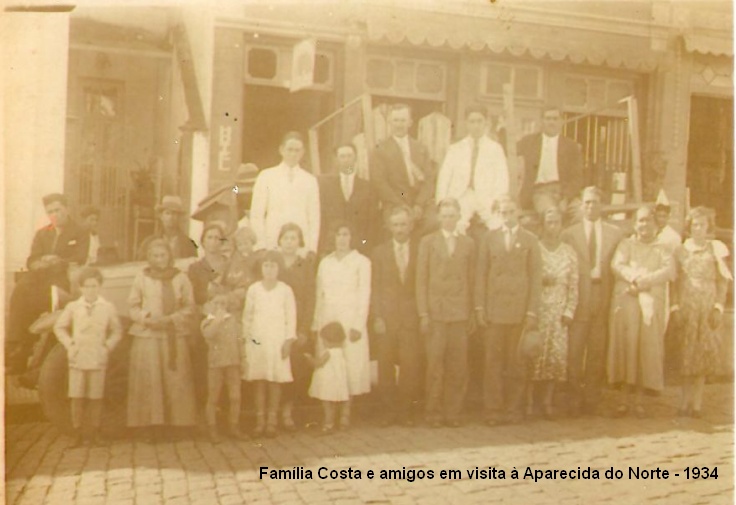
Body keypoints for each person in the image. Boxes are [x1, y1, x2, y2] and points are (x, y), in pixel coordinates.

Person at [475, 195, 542, 425]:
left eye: (511, 211)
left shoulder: (530, 240)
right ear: (498, 214)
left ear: (518, 212)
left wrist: (532, 311)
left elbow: (535, 277)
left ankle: (514, 409)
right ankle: (493, 410)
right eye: (503, 212)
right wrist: (480, 307)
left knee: (517, 362)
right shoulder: (489, 238)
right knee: (492, 362)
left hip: (519, 311)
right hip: (494, 311)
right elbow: (481, 274)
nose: (507, 216)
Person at [7, 193, 89, 374]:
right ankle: (17, 352)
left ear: (67, 209)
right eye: (50, 212)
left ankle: (34, 361)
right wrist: (39, 263)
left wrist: (58, 260)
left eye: (57, 210)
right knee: (20, 293)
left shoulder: (80, 231)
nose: (54, 215)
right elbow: (32, 260)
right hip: (40, 280)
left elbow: (80, 257)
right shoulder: (42, 234)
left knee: (42, 301)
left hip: (62, 281)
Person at [561, 186, 624, 416]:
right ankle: (573, 398)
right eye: (586, 202)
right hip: (579, 295)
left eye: (595, 202)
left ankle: (592, 399)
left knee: (597, 349)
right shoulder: (569, 233)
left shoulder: (615, 233)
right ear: (581, 205)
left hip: (602, 293)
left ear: (602, 206)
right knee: (575, 349)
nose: (590, 206)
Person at [127, 239, 198, 441]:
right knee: (150, 379)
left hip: (173, 334)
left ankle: (178, 425)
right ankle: (151, 426)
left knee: (175, 379)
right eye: (155, 256)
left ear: (169, 256)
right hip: (148, 335)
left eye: (163, 255)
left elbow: (190, 306)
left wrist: (171, 319)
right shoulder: (142, 277)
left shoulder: (180, 278)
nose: (159, 260)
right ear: (149, 258)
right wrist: (146, 319)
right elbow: (133, 306)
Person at [608, 206, 675, 417]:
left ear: (655, 224)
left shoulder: (663, 248)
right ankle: (623, 399)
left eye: (648, 220)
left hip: (650, 302)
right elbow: (617, 265)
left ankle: (639, 400)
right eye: (640, 220)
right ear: (634, 224)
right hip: (628, 299)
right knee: (627, 345)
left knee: (644, 348)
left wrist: (645, 281)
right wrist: (635, 278)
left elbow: (669, 271)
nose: (644, 225)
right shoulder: (626, 244)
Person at [416, 198, 476, 427]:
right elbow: (421, 280)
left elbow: (472, 280)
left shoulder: (468, 243)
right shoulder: (428, 242)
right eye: (445, 216)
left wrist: (471, 311)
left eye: (452, 215)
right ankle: (433, 412)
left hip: (459, 313)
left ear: (459, 216)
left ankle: (453, 413)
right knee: (434, 365)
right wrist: (424, 313)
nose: (448, 220)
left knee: (457, 366)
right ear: (438, 218)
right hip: (436, 313)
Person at [671, 207, 731, 418]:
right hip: (687, 307)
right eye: (694, 225)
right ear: (689, 227)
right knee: (686, 354)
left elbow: (723, 281)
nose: (698, 229)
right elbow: (674, 282)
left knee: (703, 355)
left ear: (708, 227)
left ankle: (697, 404)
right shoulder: (680, 250)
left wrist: (718, 307)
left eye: (702, 225)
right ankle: (683, 402)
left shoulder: (716, 249)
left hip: (706, 308)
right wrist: (675, 307)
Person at [53, 267, 123, 447]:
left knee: (96, 397)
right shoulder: (73, 307)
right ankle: (77, 433)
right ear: (80, 288)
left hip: (98, 357)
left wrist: (107, 347)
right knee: (77, 397)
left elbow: (117, 330)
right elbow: (59, 327)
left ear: (100, 287)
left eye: (94, 286)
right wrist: (70, 344)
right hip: (78, 357)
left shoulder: (107, 307)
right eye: (87, 286)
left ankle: (95, 432)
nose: (90, 290)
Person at [312, 222, 372, 428]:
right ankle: (329, 415)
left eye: (346, 234)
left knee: (349, 367)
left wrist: (358, 324)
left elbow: (364, 294)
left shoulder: (361, 262)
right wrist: (316, 324)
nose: (342, 239)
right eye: (338, 234)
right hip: (328, 321)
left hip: (350, 321)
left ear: (352, 237)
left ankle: (345, 413)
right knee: (329, 368)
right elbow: (320, 295)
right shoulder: (325, 263)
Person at [371, 206, 422, 426]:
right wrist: (377, 317)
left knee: (410, 365)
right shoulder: (379, 252)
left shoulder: (420, 249)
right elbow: (374, 288)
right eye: (395, 225)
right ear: (389, 227)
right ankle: (388, 411)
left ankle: (405, 411)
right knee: (385, 365)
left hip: (411, 317)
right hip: (387, 317)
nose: (399, 229)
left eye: (403, 224)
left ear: (410, 226)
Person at [529, 207, 578, 418]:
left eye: (556, 222)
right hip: (538, 310)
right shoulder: (535, 248)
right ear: (543, 225)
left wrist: (569, 311)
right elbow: (527, 277)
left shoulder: (569, 252)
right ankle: (529, 401)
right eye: (549, 222)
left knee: (555, 357)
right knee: (533, 354)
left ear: (561, 225)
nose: (553, 227)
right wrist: (541, 280)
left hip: (558, 312)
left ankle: (547, 401)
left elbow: (574, 284)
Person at [242, 251, 297, 437]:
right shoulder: (254, 289)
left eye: (273, 265)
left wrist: (288, 340)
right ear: (261, 268)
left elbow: (291, 317)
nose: (269, 269)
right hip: (258, 340)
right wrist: (247, 340)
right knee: (260, 380)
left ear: (279, 268)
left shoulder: (285, 290)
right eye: (266, 265)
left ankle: (272, 420)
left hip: (277, 340)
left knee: (275, 380)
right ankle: (260, 420)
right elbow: (247, 317)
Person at [435, 104, 509, 234]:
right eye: (472, 122)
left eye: (479, 121)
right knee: (455, 225)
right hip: (461, 195)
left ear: (486, 122)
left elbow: (502, 177)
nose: (476, 126)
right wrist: (442, 200)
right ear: (466, 123)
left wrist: (498, 199)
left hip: (486, 196)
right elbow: (444, 177)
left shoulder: (495, 148)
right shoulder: (456, 148)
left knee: (499, 225)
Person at [249, 132, 320, 256]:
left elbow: (314, 217)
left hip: (300, 243)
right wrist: (260, 245)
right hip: (272, 240)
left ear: (303, 152)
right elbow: (256, 214)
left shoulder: (310, 180)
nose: (293, 154)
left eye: (297, 150)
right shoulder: (266, 176)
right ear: (281, 150)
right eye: (290, 149)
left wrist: (312, 248)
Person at [370, 104, 435, 232]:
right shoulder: (381, 149)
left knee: (434, 224)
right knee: (399, 225)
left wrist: (419, 204)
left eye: (403, 120)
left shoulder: (420, 148)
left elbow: (429, 179)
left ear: (410, 122)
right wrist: (401, 206)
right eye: (396, 120)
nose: (399, 125)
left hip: (419, 203)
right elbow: (380, 183)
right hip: (395, 202)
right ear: (389, 122)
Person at [276, 223, 317, 430]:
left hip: (297, 323)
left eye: (294, 238)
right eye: (286, 238)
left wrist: (303, 328)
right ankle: (272, 412)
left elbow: (310, 298)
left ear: (299, 242)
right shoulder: (272, 262)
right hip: (275, 323)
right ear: (279, 240)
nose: (289, 242)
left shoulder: (305, 266)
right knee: (275, 366)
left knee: (295, 367)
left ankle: (287, 411)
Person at [188, 223, 230, 417]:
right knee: (206, 365)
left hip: (228, 321)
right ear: (203, 242)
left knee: (228, 365)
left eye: (217, 238)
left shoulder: (230, 264)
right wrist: (209, 294)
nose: (213, 242)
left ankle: (226, 411)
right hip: (206, 322)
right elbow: (193, 296)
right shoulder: (196, 268)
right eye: (209, 237)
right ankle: (206, 412)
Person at [517, 105, 584, 214]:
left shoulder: (571, 146)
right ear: (542, 121)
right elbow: (509, 150)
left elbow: (577, 178)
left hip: (564, 192)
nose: (551, 122)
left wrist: (566, 198)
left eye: (555, 119)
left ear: (561, 121)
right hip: (540, 192)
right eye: (548, 119)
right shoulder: (528, 142)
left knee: (582, 214)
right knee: (552, 213)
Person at [201, 293, 247, 442]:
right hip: (216, 364)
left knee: (235, 397)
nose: (220, 306)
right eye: (216, 303)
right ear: (211, 305)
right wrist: (217, 320)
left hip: (233, 363)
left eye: (223, 304)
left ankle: (234, 426)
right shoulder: (207, 322)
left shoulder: (233, 321)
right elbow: (209, 335)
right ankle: (212, 428)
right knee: (213, 397)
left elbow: (240, 341)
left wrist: (243, 359)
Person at [318, 143, 379, 255]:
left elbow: (372, 221)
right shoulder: (325, 186)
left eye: (349, 156)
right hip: (333, 245)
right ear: (336, 160)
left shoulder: (368, 187)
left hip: (359, 245)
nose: (346, 160)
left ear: (355, 158)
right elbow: (322, 217)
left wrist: (365, 244)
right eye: (342, 156)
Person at [306, 322, 351, 433]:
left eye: (324, 340)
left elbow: (318, 363)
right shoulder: (341, 352)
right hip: (336, 383)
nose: (323, 343)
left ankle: (328, 423)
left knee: (327, 405)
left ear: (329, 340)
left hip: (327, 383)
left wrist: (309, 358)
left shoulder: (329, 353)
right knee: (333, 404)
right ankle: (330, 422)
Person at [137, 195, 198, 261]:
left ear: (179, 217)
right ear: (161, 216)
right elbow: (141, 265)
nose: (171, 217)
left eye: (174, 213)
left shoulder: (189, 244)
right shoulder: (148, 243)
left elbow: (192, 264)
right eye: (167, 213)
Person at [221, 226, 260, 317]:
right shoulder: (232, 261)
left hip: (252, 296)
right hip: (235, 299)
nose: (243, 247)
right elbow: (226, 281)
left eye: (246, 243)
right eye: (240, 245)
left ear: (252, 242)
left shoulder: (257, 260)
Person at [654, 190, 683, 254]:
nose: (661, 219)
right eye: (659, 216)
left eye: (664, 216)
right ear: (655, 216)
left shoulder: (674, 237)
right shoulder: (650, 233)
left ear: (668, 217)